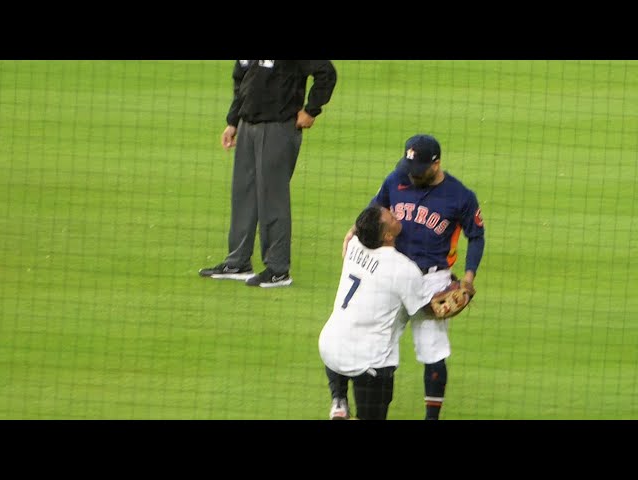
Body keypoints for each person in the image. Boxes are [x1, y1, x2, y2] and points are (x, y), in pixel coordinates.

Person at [341, 134, 486, 420]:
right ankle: (365, 411)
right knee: (374, 346)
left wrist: (468, 278)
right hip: (392, 274)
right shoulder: (397, 178)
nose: (412, 175)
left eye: (419, 169)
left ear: (436, 164)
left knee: (433, 351)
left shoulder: (460, 196)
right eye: (410, 167)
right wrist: (354, 229)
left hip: (432, 282)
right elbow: (375, 208)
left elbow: (476, 236)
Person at [199, 60, 337, 288]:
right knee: (244, 194)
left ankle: (278, 269)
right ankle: (238, 262)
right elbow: (241, 80)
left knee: (272, 198)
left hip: (278, 127)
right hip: (247, 125)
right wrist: (233, 121)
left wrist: (311, 110)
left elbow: (326, 73)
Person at [319, 205, 441, 420]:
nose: (397, 215)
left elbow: (358, 229)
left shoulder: (355, 244)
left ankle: (339, 400)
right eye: (392, 218)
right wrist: (450, 298)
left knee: (341, 338)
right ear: (387, 235)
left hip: (330, 348)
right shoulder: (403, 268)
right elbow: (425, 311)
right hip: (369, 362)